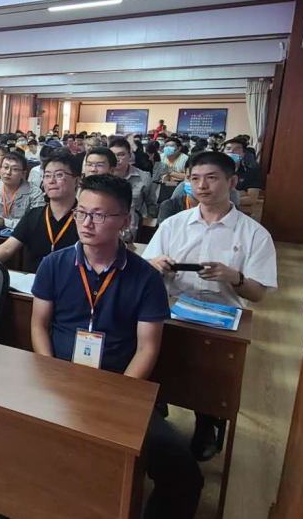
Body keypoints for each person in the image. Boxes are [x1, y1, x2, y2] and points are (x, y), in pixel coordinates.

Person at [30, 174, 203, 519]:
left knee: (183, 473)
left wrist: (118, 397)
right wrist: (51, 374)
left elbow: (147, 348)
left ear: (124, 221)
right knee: (14, 442)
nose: (86, 223)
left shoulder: (145, 277)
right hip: (58, 381)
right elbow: (39, 325)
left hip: (118, 387)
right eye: (81, 212)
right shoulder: (54, 264)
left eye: (99, 215)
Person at [143, 151, 277, 462]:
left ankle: (207, 423)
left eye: (211, 178)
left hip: (221, 319)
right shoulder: (173, 224)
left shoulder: (254, 234)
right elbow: (146, 267)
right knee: (157, 367)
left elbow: (258, 294)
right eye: (194, 179)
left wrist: (234, 277)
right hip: (171, 312)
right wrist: (156, 265)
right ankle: (156, 416)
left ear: (232, 181)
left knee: (211, 383)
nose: (202, 186)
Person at [0, 152, 81, 271]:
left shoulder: (86, 218)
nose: (51, 181)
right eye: (47, 175)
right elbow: (7, 248)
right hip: (33, 279)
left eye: (59, 175)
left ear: (76, 181)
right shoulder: (34, 215)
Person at [0, 151, 44, 230]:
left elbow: (37, 221)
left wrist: (6, 223)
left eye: (14, 169)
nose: (8, 172)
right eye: (5, 167)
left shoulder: (35, 193)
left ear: (23, 173)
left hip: (23, 236)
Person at [110, 138, 154, 244]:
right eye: (113, 155)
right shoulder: (102, 176)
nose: (117, 159)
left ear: (129, 156)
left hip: (133, 227)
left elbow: (152, 204)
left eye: (121, 154)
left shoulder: (144, 177)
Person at [223, 137, 262, 208]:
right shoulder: (213, 171)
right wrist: (240, 193)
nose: (231, 151)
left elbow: (251, 199)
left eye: (236, 149)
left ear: (243, 154)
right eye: (228, 149)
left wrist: (223, 200)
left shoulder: (251, 172)